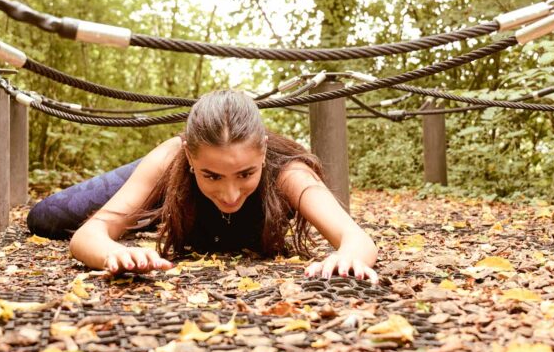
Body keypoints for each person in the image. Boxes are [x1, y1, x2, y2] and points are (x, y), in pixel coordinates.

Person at [27, 89, 378, 282]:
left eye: (245, 174)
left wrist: (347, 259)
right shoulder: (171, 158)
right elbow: (88, 236)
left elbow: (357, 239)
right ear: (191, 158)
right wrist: (113, 252)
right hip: (169, 187)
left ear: (263, 154)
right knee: (47, 218)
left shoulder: (288, 172)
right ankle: (152, 210)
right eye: (212, 175)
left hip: (192, 191)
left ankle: (156, 210)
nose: (230, 193)